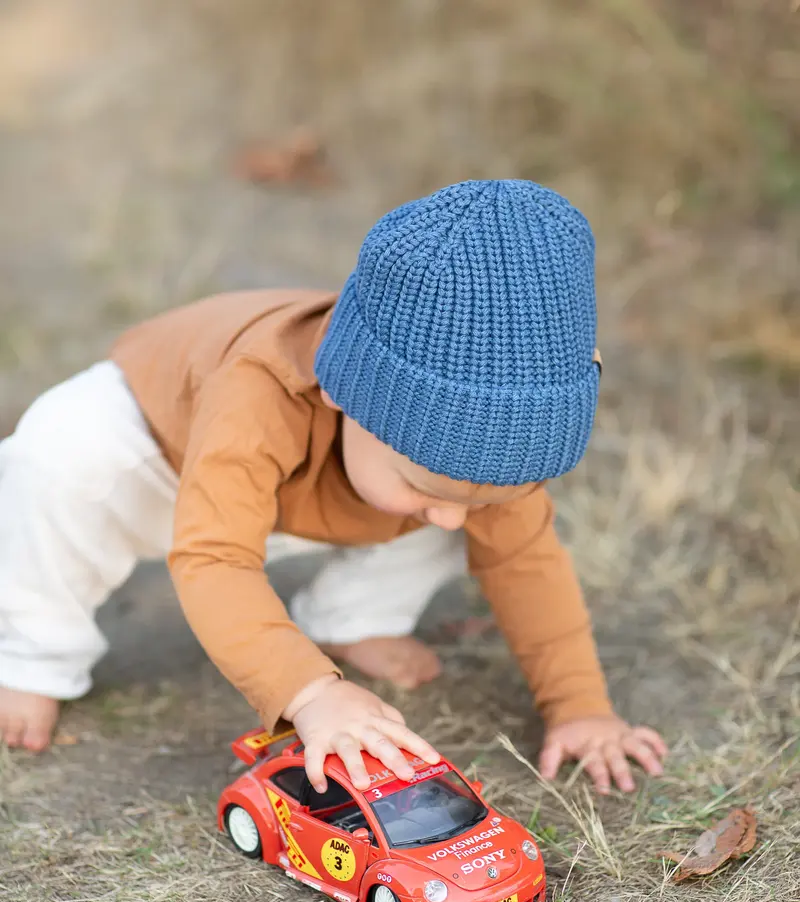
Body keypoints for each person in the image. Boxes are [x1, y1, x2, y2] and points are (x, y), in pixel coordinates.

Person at [0, 179, 667, 795]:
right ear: (346, 394)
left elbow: (525, 561)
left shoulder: (451, 476)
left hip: (318, 492)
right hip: (156, 464)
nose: (452, 519)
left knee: (479, 526)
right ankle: (34, 656)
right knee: (55, 465)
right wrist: (310, 692)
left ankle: (351, 619)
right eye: (424, 482)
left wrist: (580, 705)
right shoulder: (257, 393)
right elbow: (213, 559)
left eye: (483, 493)